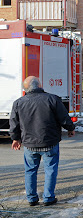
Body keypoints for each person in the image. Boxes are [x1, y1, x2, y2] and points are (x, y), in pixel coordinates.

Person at [9, 76, 76, 206]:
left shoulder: (18, 102)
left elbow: (14, 123)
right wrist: (70, 128)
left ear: (25, 89)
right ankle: (48, 197)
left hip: (29, 144)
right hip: (49, 142)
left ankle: (32, 198)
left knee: (30, 171)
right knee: (50, 169)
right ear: (39, 85)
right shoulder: (52, 99)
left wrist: (15, 138)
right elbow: (63, 117)